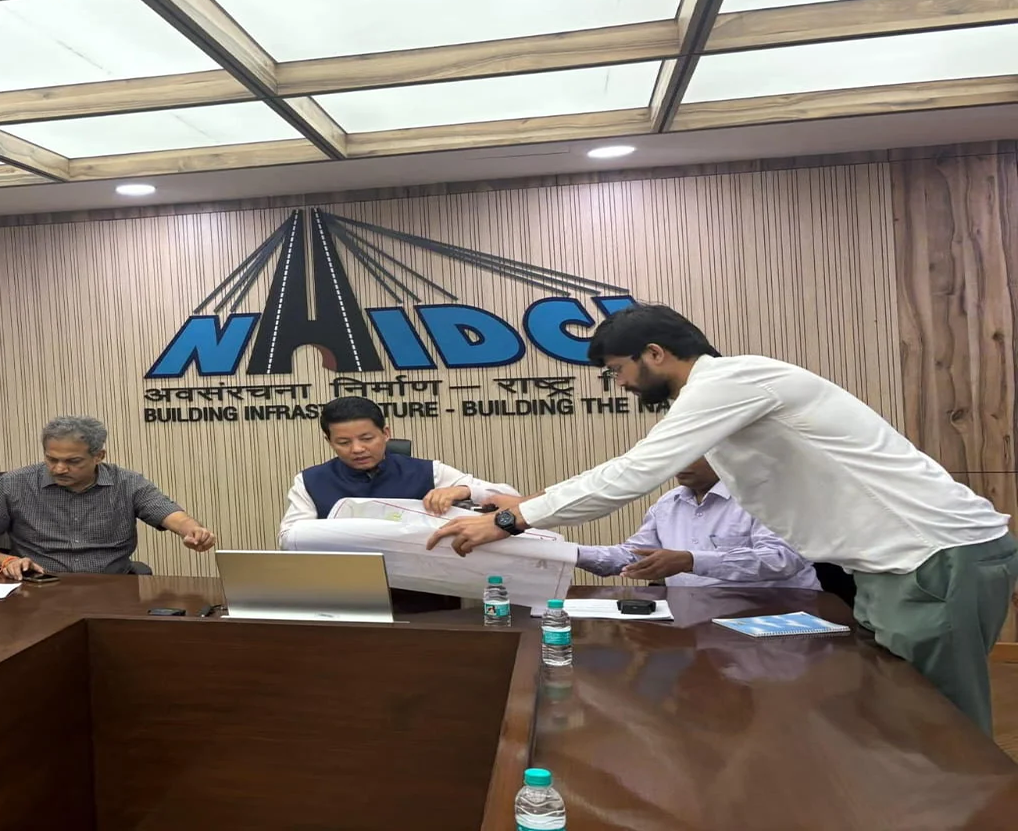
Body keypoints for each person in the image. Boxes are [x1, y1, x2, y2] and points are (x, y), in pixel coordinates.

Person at [426, 304, 1016, 733]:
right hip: (896, 565)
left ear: (654, 354)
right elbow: (633, 470)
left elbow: (635, 471)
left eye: (617, 369)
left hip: (931, 556)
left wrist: (511, 523)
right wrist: (522, 504)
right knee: (901, 716)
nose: (620, 384)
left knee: (940, 725)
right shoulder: (724, 393)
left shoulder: (732, 381)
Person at [0, 415, 215, 578]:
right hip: (39, 588)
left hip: (110, 589)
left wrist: (193, 531)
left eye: (73, 461)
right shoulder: (13, 484)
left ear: (98, 456)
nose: (59, 469)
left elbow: (171, 515)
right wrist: (8, 560)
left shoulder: (126, 483)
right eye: (52, 459)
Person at [278, 396, 519, 545]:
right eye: (344, 442)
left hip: (426, 589)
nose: (357, 449)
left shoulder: (429, 472)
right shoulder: (310, 481)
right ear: (329, 441)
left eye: (367, 438)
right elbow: (288, 537)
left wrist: (464, 490)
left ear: (386, 433)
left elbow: (513, 498)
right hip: (346, 585)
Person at [575, 457, 820, 589]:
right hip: (696, 621)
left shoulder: (765, 496)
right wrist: (571, 553)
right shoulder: (668, 503)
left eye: (692, 454)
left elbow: (781, 559)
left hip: (776, 617)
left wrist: (691, 561)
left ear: (723, 454)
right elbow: (635, 556)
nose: (680, 463)